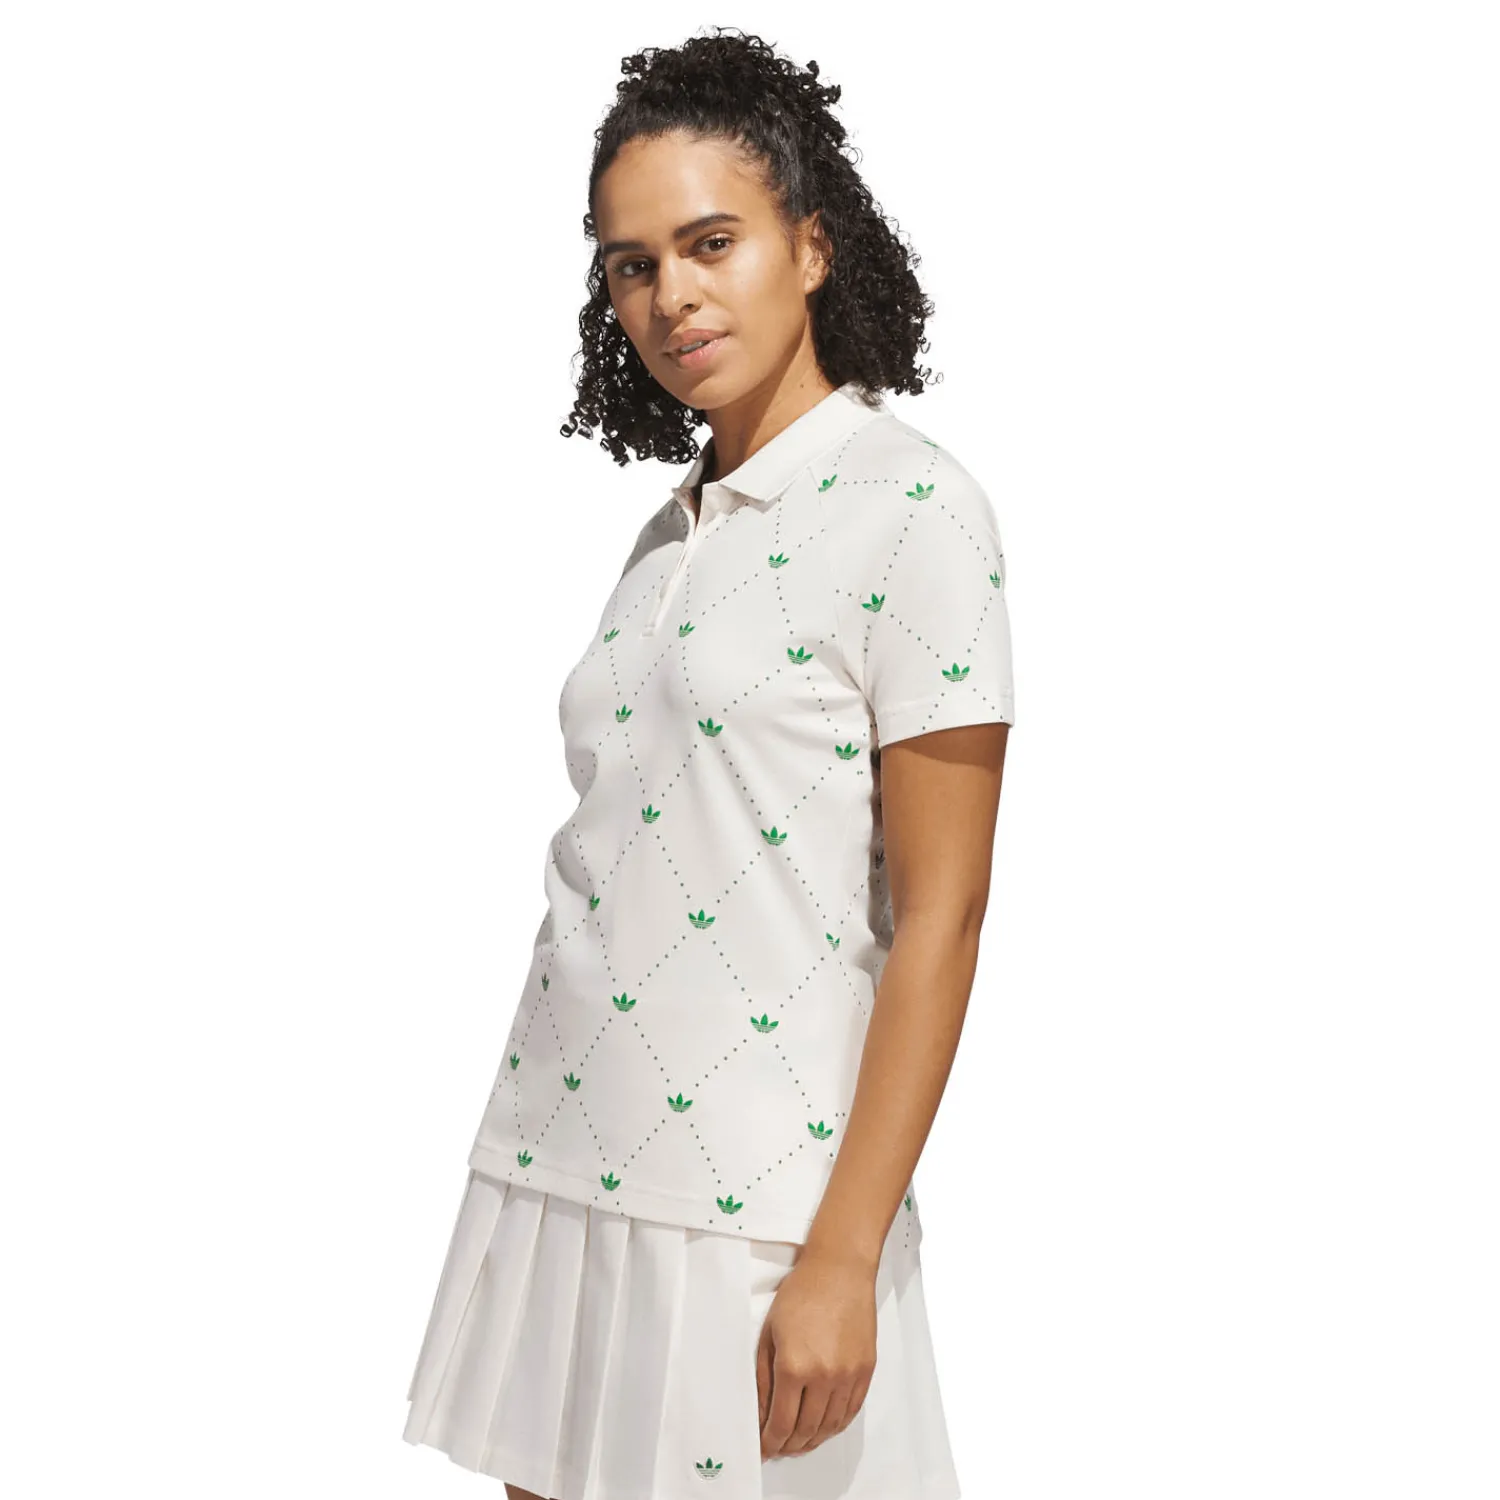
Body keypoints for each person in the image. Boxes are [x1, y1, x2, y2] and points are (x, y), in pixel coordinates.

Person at [403, 26, 1015, 1500]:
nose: (668, 294)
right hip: (562, 1152)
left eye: (710, 242)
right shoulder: (667, 533)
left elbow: (942, 916)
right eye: (631, 264)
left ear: (812, 245)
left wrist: (845, 1253)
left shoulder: (914, 509)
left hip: (757, 1201)